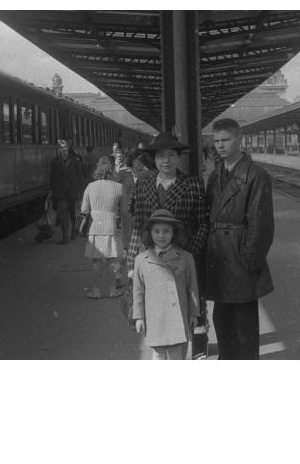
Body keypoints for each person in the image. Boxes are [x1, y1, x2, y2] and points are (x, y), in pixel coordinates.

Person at [205, 118, 275, 359]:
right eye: (216, 141)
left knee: (243, 324)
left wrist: (250, 261)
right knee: (222, 319)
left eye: (226, 139)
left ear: (239, 140)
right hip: (219, 259)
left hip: (240, 259)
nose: (221, 145)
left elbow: (261, 224)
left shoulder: (256, 175)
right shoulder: (215, 176)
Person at [126, 132, 208, 277]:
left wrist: (188, 254)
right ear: (154, 159)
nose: (166, 160)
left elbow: (202, 224)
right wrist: (131, 262)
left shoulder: (194, 184)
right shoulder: (142, 184)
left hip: (180, 260)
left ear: (178, 157)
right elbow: (138, 224)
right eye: (161, 156)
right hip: (149, 259)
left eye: (171, 155)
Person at [132, 209, 200, 360]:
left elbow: (192, 288)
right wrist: (139, 317)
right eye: (156, 231)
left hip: (178, 316)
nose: (161, 235)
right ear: (150, 233)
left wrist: (194, 313)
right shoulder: (141, 260)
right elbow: (138, 291)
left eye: (166, 231)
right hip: (155, 317)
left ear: (173, 233)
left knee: (177, 355)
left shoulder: (186, 258)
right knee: (158, 354)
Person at [81, 156, 125, 299]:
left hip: (95, 227)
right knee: (112, 259)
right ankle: (113, 290)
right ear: (112, 171)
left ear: (98, 170)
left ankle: (96, 291)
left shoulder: (90, 186)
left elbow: (84, 209)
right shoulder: (119, 187)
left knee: (96, 261)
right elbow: (124, 210)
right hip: (111, 226)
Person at [50, 140, 85, 243]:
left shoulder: (75, 161)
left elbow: (80, 177)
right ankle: (65, 237)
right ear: (59, 150)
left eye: (65, 148)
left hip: (73, 192)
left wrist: (81, 192)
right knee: (62, 215)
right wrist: (51, 191)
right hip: (60, 193)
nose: (64, 150)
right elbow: (52, 178)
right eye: (61, 148)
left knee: (74, 215)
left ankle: (74, 231)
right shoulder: (55, 162)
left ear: (68, 149)